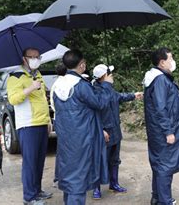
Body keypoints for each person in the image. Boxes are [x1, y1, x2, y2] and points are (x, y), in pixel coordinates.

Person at [52, 50, 111, 205]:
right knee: (78, 179)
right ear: (82, 64)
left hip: (66, 138)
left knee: (70, 176)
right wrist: (106, 85)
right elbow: (100, 104)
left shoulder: (57, 86)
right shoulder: (81, 86)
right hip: (83, 138)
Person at [143, 47, 179, 205]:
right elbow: (160, 107)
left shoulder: (158, 78)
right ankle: (165, 201)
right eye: (171, 58)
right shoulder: (160, 80)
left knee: (159, 164)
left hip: (158, 130)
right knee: (165, 166)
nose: (173, 61)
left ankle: (157, 197)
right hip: (163, 131)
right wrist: (168, 131)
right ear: (162, 62)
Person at [7, 47, 53, 205]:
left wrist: (48, 120)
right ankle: (29, 197)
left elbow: (42, 100)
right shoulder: (16, 76)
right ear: (24, 58)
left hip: (41, 123)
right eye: (32, 57)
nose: (35, 59)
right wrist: (30, 88)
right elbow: (13, 99)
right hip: (27, 125)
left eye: (37, 56)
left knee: (39, 160)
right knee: (30, 162)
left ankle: (37, 191)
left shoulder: (37, 74)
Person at [91, 64, 143, 199]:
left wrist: (134, 95)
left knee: (114, 159)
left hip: (115, 130)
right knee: (100, 159)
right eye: (110, 73)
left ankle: (114, 183)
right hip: (104, 132)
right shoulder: (95, 92)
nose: (112, 75)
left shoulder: (110, 90)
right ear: (103, 76)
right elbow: (94, 114)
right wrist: (101, 129)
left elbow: (119, 96)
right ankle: (96, 188)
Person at [49, 63, 67, 188]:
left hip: (58, 119)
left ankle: (59, 177)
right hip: (63, 120)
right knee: (64, 150)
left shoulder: (55, 84)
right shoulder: (63, 84)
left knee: (62, 149)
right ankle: (60, 177)